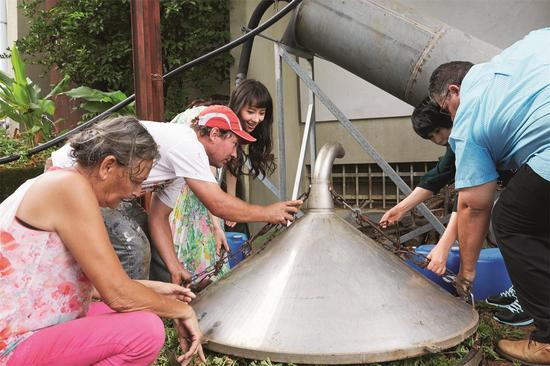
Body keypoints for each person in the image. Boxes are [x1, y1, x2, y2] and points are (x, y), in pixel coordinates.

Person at [0, 116, 204, 365]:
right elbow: (117, 294)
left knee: (139, 312)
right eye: (135, 180)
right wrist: (183, 310)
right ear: (108, 166)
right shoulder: (69, 187)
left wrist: (154, 289)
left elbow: (82, 285)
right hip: (10, 346)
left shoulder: (61, 182)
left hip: (25, 329)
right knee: (144, 331)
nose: (136, 193)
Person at [51, 106, 302, 284]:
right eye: (234, 144)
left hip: (105, 189)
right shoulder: (187, 143)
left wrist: (175, 267)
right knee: (132, 246)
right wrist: (268, 212)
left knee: (144, 233)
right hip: (75, 178)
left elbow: (158, 218)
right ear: (214, 134)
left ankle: (166, 299)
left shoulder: (179, 168)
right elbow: (218, 204)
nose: (235, 155)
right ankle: (129, 315)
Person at [428, 28, 550, 364]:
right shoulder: (524, 48)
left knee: (511, 219)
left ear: (455, 91)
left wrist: (466, 274)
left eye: (447, 109)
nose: (452, 117)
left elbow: (473, 205)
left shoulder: (470, 117)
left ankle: (548, 340)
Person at [159, 80, 275, 286]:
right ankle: (192, 288)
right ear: (239, 105)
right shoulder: (216, 122)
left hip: (196, 184)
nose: (257, 119)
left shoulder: (233, 130)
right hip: (186, 187)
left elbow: (232, 164)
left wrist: (230, 201)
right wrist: (217, 221)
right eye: (251, 111)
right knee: (204, 244)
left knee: (215, 238)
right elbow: (209, 179)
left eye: (262, 113)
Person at [379, 98, 457, 276]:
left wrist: (443, 247)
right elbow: (437, 176)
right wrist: (400, 208)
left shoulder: (467, 137)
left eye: (438, 131)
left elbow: (465, 197)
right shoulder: (454, 146)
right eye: (431, 137)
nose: (438, 139)